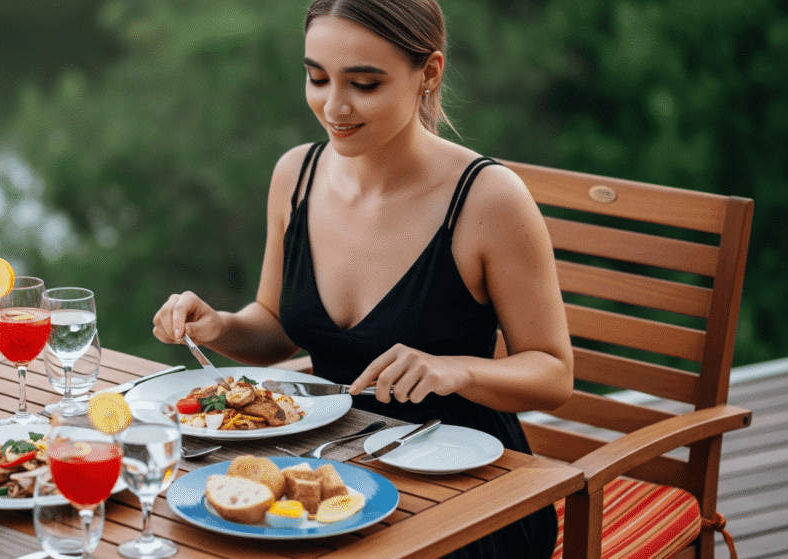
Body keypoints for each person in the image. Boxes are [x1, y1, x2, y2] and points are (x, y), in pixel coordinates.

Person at [152, 1, 573, 557]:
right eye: (316, 77)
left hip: (462, 493)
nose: (334, 106)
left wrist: (455, 371)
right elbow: (278, 326)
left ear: (430, 73)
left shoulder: (489, 199)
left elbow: (553, 375)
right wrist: (220, 327)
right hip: (329, 474)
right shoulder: (296, 176)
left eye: (365, 84)